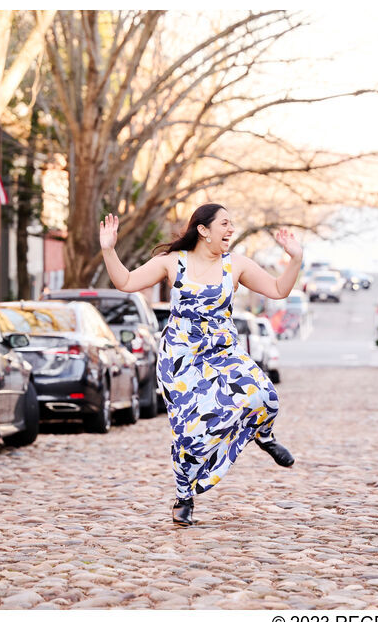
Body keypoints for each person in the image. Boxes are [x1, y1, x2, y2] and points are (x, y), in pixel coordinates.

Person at [99, 203, 302, 526]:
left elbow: (278, 290)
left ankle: (263, 435)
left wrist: (295, 259)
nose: (231, 230)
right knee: (188, 432)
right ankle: (184, 497)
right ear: (203, 230)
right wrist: (109, 250)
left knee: (263, 394)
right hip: (181, 357)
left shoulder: (235, 265)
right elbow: (125, 282)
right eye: (224, 224)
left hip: (222, 350)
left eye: (231, 223)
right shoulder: (171, 262)